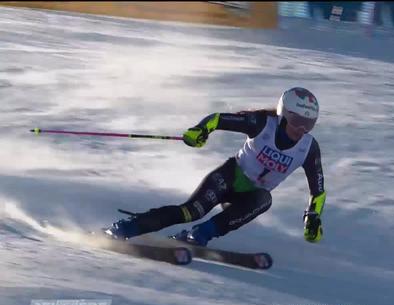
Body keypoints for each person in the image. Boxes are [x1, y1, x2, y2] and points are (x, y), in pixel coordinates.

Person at [104, 87, 326, 246]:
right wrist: (200, 131)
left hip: (248, 197)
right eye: (297, 121)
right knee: (190, 211)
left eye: (309, 124)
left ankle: (201, 234)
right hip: (229, 177)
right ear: (283, 115)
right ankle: (126, 228)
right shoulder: (261, 124)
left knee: (264, 200)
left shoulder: (308, 148)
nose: (302, 129)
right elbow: (218, 119)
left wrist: (312, 217)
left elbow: (318, 190)